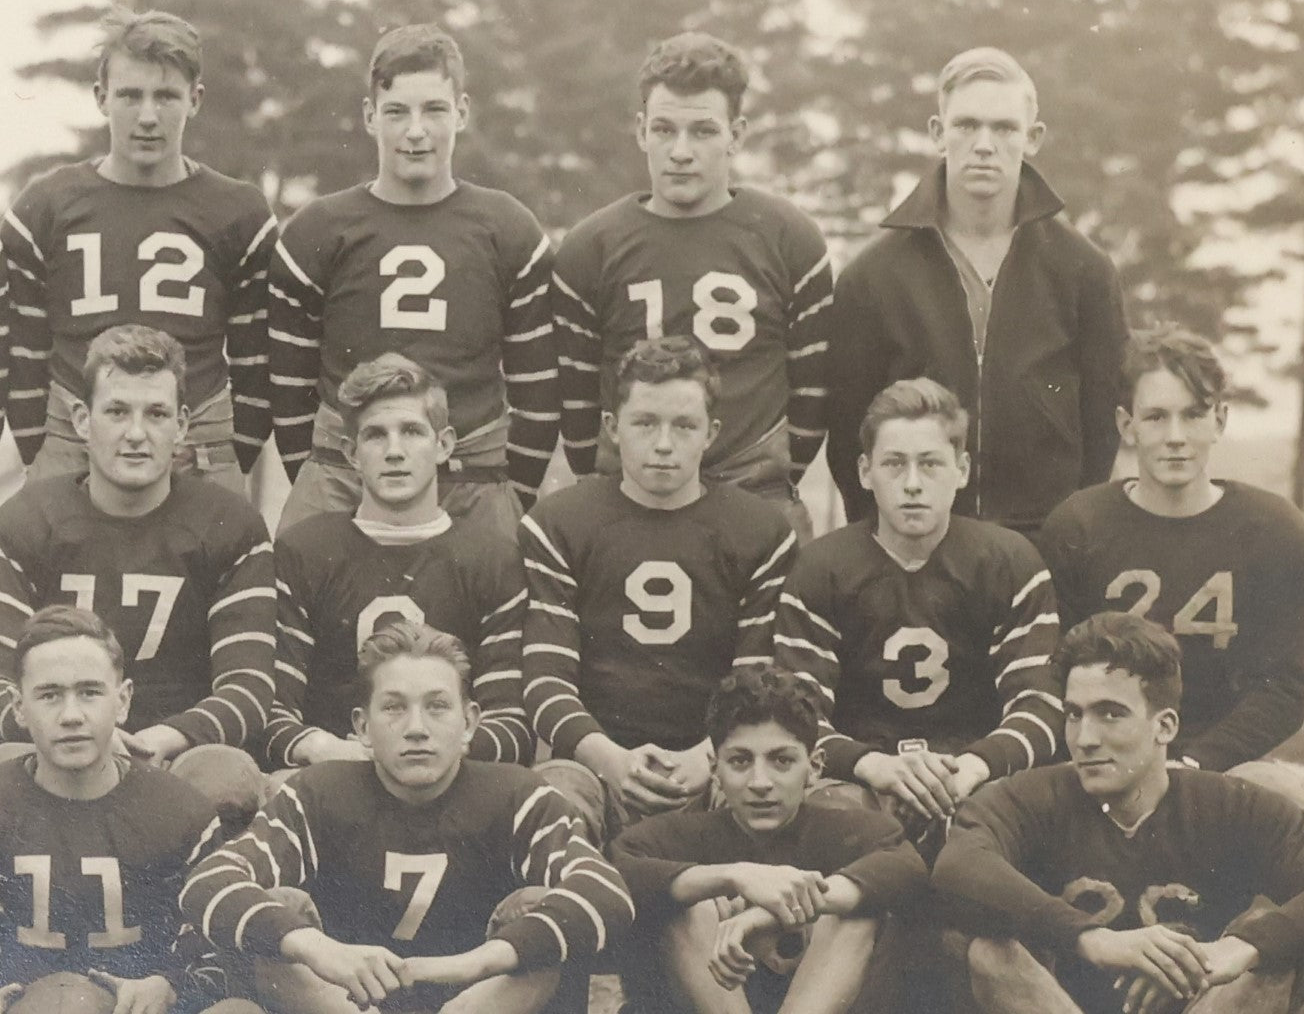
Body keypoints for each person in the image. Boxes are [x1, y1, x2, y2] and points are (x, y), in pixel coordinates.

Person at [181, 619, 634, 1014]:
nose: (417, 727)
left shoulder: (517, 794)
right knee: (279, 912)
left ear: (470, 722)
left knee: (539, 908)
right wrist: (319, 949)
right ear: (362, 727)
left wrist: (479, 961)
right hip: (345, 1004)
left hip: (477, 1004)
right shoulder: (317, 793)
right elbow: (208, 882)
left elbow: (608, 892)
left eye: (437, 706)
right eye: (395, 707)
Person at [933, 611, 1304, 1014]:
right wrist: (1092, 938)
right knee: (991, 953)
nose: (1085, 738)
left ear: (1164, 727)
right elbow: (957, 865)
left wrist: (1242, 947)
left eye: (1110, 714)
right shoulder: (1029, 796)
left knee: (1271, 962)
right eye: (1074, 714)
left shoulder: (1233, 803)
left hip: (1200, 1003)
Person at [269, 23, 558, 539]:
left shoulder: (507, 228)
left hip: (473, 475)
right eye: (397, 111)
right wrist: (324, 470)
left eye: (434, 110)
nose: (416, 130)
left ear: (462, 112)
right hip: (345, 474)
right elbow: (289, 387)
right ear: (369, 116)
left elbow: (537, 391)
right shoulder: (319, 230)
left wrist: (514, 494)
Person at [826, 46, 1126, 533]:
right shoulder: (873, 276)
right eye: (966, 125)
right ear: (937, 133)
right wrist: (880, 539)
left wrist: (1075, 533)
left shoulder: (1083, 270)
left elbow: (1102, 426)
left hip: (1044, 540)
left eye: (1004, 128)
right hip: (920, 542)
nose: (984, 144)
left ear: (1033, 139)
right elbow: (847, 436)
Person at [550, 31, 832, 536]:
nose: (681, 151)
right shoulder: (590, 248)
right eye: (664, 129)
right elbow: (578, 409)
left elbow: (812, 394)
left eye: (702, 131)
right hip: (630, 497)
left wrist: (770, 474)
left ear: (737, 134)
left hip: (753, 491)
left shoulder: (791, 239)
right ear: (640, 131)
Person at [520, 336, 797, 839]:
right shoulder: (560, 523)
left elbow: (759, 678)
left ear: (711, 432)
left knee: (773, 798)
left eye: (684, 426)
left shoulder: (759, 531)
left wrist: (708, 757)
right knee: (551, 801)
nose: (664, 444)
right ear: (612, 427)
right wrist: (609, 759)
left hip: (715, 761)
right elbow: (545, 677)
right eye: (645, 423)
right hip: (597, 762)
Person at [0, 7, 276, 493]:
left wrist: (237, 449)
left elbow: (256, 359)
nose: (148, 116)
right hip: (72, 436)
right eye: (130, 95)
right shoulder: (45, 207)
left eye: (166, 96)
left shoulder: (239, 211)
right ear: (101, 97)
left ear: (195, 99)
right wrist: (38, 446)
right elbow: (24, 350)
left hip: (198, 442)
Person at [774, 378, 1062, 829]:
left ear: (962, 469)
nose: (912, 484)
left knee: (1016, 815)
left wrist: (971, 768)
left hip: (973, 778)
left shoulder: (1009, 562)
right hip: (861, 784)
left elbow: (1041, 703)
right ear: (865, 472)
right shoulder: (821, 568)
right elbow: (796, 712)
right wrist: (875, 768)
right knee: (828, 814)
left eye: (930, 464)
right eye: (894, 464)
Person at [1038, 326, 1304, 790]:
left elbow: (1284, 688)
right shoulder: (1078, 525)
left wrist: (1196, 763)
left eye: (1194, 415)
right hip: (1103, 757)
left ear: (1220, 420)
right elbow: (1053, 671)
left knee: (1288, 801)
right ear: (1127, 425)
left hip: (1226, 765)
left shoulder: (1274, 529)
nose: (1176, 436)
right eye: (1157, 417)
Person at [0, 325, 275, 776]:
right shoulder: (26, 519)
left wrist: (162, 739)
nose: (135, 433)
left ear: (183, 425)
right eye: (116, 411)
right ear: (82, 420)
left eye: (156, 414)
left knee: (228, 777)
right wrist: (89, 737)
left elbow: (249, 686)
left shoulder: (229, 523)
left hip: (176, 752)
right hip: (56, 749)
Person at [611, 665, 927, 1014]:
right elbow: (621, 868)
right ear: (714, 769)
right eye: (740, 761)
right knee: (690, 906)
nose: (760, 781)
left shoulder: (859, 831)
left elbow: (905, 869)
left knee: (853, 908)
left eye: (781, 760)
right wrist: (737, 876)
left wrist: (769, 913)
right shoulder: (678, 834)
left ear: (815, 766)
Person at [267, 353, 531, 770]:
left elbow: (510, 723)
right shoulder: (304, 550)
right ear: (351, 453)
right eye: (375, 436)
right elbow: (274, 713)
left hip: (450, 779)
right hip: (333, 775)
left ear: (443, 445)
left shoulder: (492, 555)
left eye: (411, 431)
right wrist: (335, 751)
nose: (394, 451)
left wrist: (424, 756)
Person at [0, 605, 263, 1014]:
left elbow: (222, 951)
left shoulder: (180, 811)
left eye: (89, 692)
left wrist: (168, 984)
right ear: (18, 708)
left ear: (122, 701)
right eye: (49, 695)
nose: (71, 716)